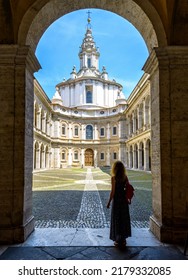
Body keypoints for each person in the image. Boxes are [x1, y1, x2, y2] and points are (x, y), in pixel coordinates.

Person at [107, 160, 131, 247]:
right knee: (123, 219)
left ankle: (117, 240)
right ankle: (124, 240)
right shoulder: (125, 177)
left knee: (117, 219)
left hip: (117, 201)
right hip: (124, 201)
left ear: (115, 168)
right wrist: (128, 198)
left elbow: (112, 192)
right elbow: (128, 188)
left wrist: (109, 202)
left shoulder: (114, 178)